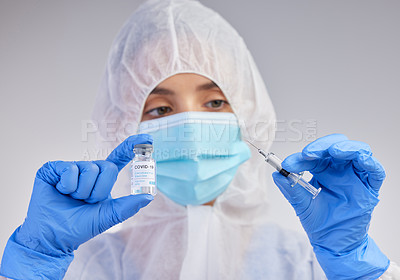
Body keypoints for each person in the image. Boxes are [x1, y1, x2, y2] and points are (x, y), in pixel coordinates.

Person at [1, 0, 399, 279]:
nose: (190, 124)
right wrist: (32, 264)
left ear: (249, 115)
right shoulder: (82, 269)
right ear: (123, 128)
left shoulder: (306, 266)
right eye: (159, 109)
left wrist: (356, 267)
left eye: (213, 101)